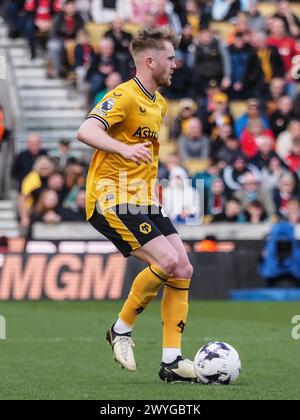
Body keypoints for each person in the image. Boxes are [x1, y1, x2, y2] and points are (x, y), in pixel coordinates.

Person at [77, 27, 196, 383]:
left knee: (184, 268)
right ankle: (121, 329)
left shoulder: (159, 103)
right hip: (111, 196)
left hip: (142, 198)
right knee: (168, 260)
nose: (176, 64)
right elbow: (86, 130)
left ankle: (172, 361)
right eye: (170, 58)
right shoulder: (123, 96)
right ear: (151, 60)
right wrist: (123, 148)